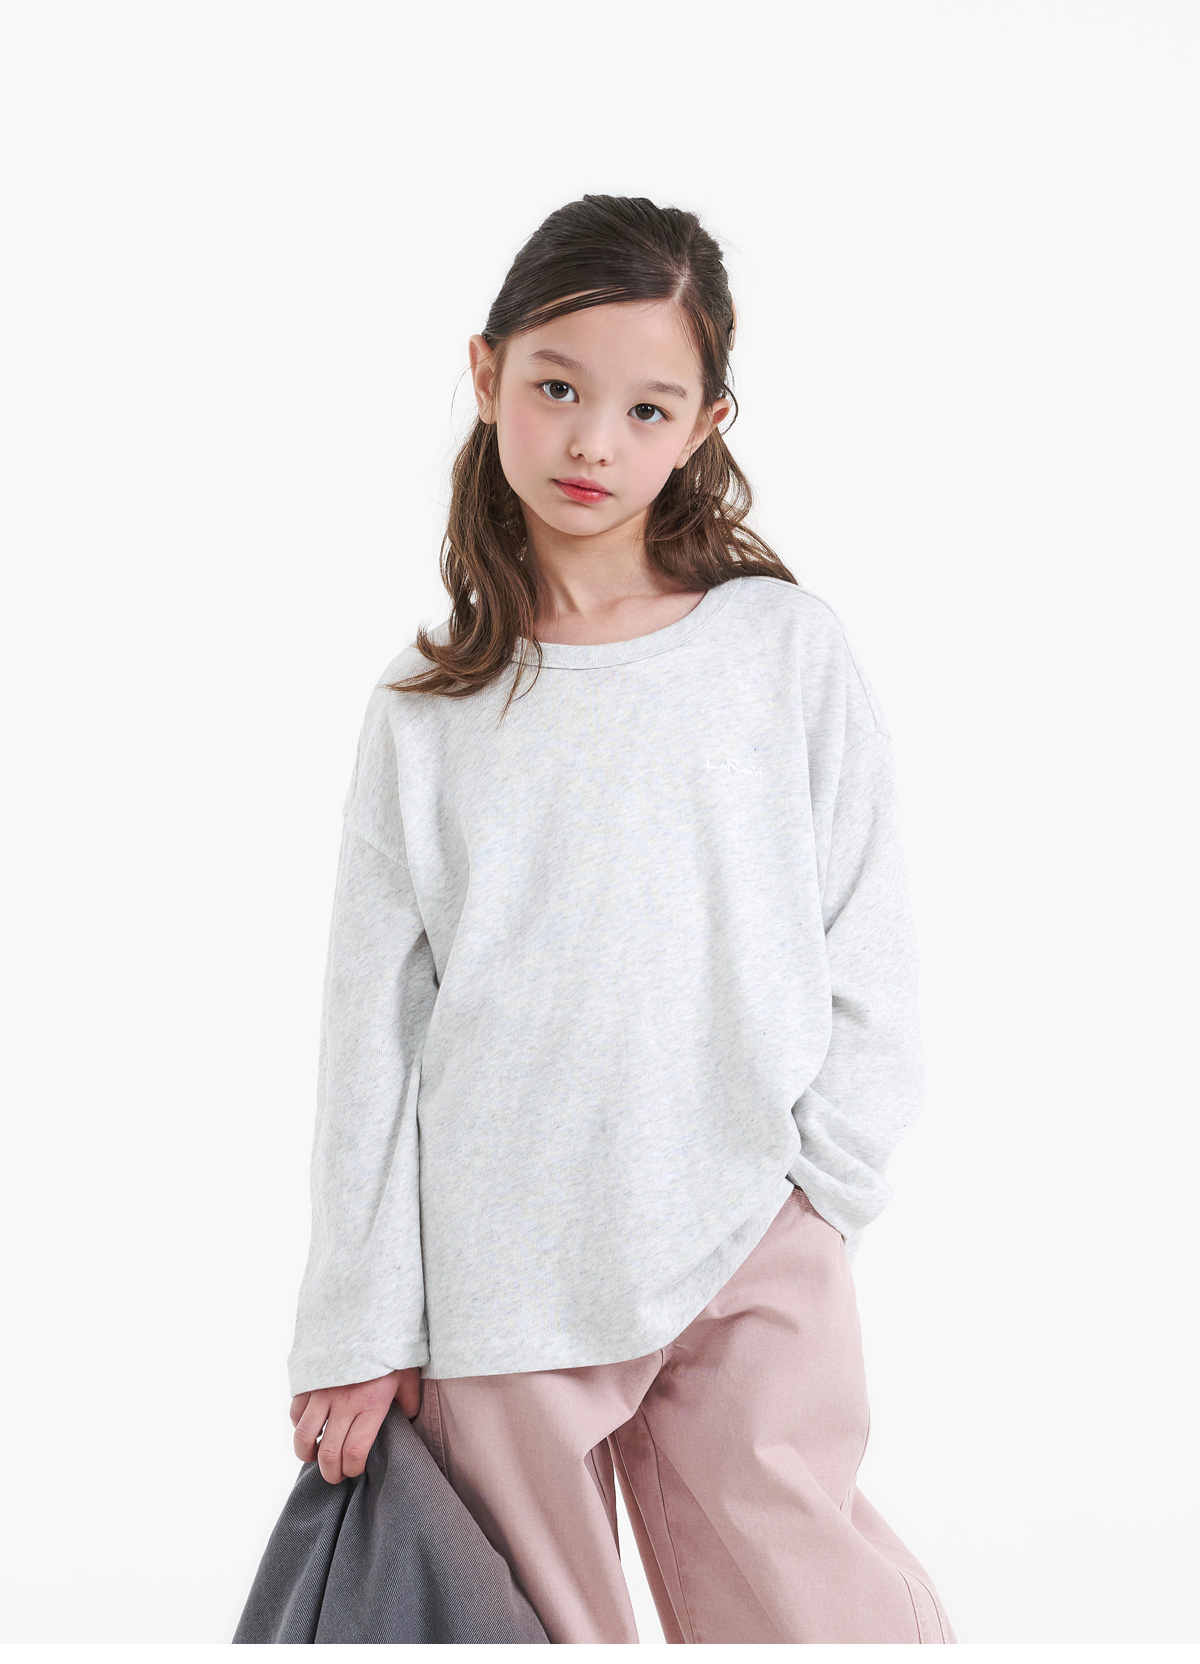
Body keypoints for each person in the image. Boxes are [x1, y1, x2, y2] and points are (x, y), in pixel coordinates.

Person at [284, 193, 956, 1644]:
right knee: (539, 1633)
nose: (593, 441)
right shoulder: (427, 709)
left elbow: (871, 939)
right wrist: (360, 1324)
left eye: (647, 408)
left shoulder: (780, 652)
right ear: (486, 375)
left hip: (747, 1225)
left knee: (820, 1610)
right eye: (557, 388)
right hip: (500, 1275)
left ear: (707, 423)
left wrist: (822, 1189)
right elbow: (372, 1040)